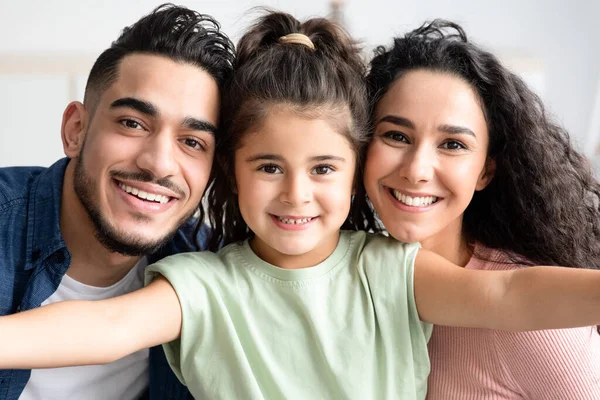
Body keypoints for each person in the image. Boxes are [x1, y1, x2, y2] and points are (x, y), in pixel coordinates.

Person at [3, 11, 600, 400]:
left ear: (355, 173)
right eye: (268, 168)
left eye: (323, 169)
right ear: (228, 174)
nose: (296, 193)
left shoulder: (389, 271)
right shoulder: (202, 282)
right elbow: (105, 327)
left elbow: (505, 293)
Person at [0, 4, 234, 400]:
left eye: (192, 142)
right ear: (76, 130)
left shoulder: (211, 269)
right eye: (132, 123)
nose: (158, 163)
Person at [364, 20, 600, 399]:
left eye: (453, 144)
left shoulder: (540, 327)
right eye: (396, 135)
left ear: (486, 171)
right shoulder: (356, 271)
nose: (417, 170)